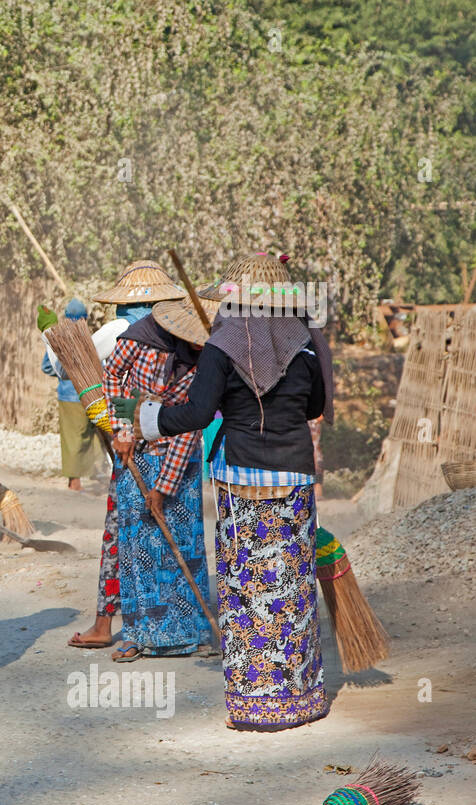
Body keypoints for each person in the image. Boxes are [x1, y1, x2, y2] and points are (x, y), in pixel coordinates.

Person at [129, 253, 333, 730]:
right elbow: (316, 406)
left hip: (241, 478)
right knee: (292, 585)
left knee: (246, 586)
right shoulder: (305, 345)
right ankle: (297, 697)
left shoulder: (222, 347)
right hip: (295, 478)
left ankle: (253, 701)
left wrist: (150, 421)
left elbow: (199, 415)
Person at [68, 260, 185, 650]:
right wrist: (122, 427)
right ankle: (143, 624)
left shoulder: (129, 331)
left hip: (143, 444)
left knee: (130, 535)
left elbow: (76, 372)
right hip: (142, 445)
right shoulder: (136, 333)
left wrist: (121, 427)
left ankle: (130, 624)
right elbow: (103, 377)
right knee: (138, 535)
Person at [104, 296, 210, 662]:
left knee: (181, 542)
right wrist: (121, 429)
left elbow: (194, 420)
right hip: (135, 450)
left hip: (180, 456)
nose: (199, 344)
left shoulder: (210, 360)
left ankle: (189, 632)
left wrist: (165, 486)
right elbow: (112, 375)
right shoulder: (140, 338)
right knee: (138, 544)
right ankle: (137, 633)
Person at [42, 298, 103, 492]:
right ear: (85, 318)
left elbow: (47, 366)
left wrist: (65, 374)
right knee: (93, 435)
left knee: (73, 439)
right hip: (93, 394)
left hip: (69, 396)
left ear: (66, 318)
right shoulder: (91, 338)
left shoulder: (59, 338)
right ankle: (94, 476)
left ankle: (75, 481)